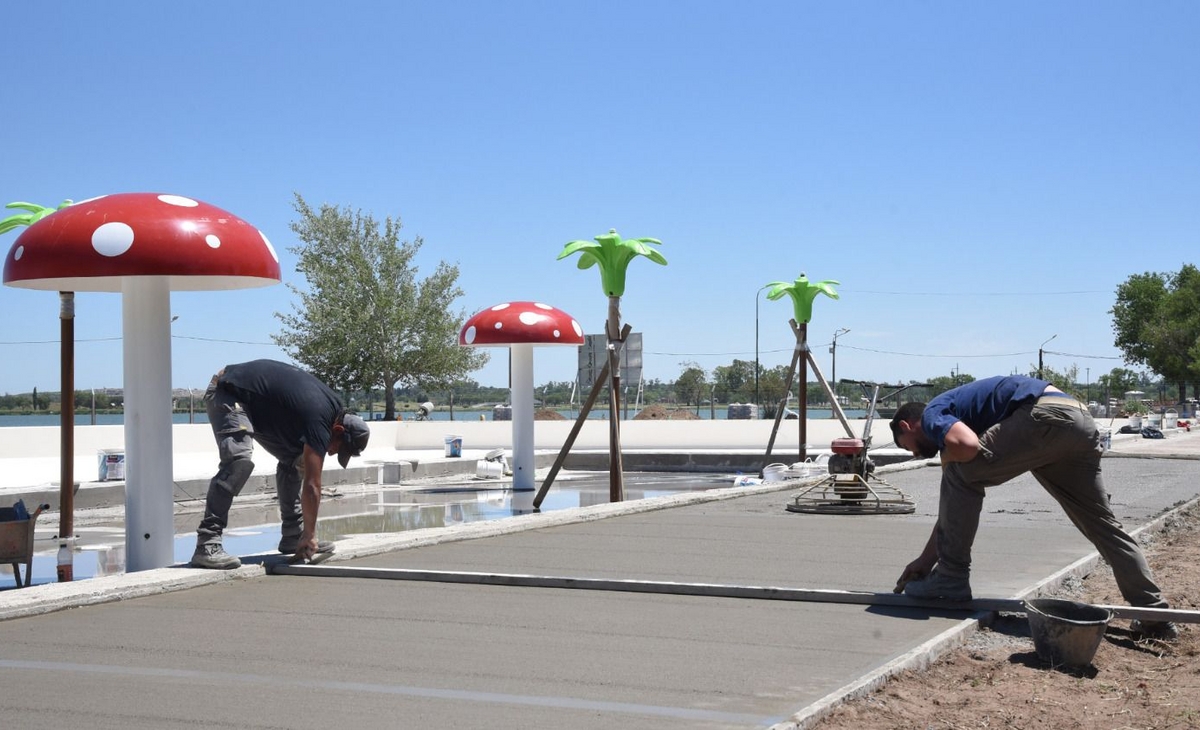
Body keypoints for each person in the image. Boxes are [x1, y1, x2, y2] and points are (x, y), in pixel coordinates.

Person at [889, 374, 1177, 640]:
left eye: (908, 446)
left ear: (907, 426)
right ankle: (1153, 613)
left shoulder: (932, 413)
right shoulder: (960, 414)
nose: (914, 454)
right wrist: (925, 561)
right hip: (1078, 421)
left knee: (957, 471)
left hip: (1044, 416)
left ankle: (951, 578)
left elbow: (967, 448)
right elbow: (955, 508)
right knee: (1102, 525)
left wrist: (948, 459)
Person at [191, 359, 370, 570]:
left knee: (296, 460)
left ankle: (294, 536)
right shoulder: (321, 420)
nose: (331, 453)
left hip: (256, 403)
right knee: (238, 461)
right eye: (337, 449)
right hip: (229, 391)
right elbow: (313, 486)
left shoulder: (330, 412)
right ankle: (207, 543)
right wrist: (311, 534)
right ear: (338, 431)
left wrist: (307, 534)